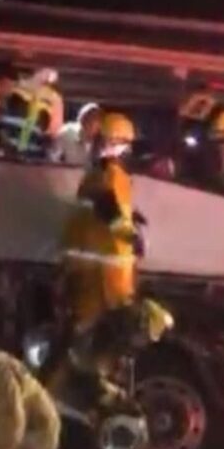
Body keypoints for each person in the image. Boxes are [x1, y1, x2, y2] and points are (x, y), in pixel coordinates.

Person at [40, 299, 174, 449]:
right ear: (140, 327)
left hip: (65, 407)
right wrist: (119, 401)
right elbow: (89, 381)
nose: (144, 345)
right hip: (70, 410)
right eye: (147, 338)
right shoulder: (100, 340)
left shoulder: (103, 334)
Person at [60, 111, 145, 331]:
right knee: (100, 330)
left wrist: (130, 217)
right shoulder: (110, 173)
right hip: (103, 269)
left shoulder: (99, 172)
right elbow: (107, 206)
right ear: (118, 143)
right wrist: (131, 235)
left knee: (86, 327)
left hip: (91, 262)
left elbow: (103, 206)